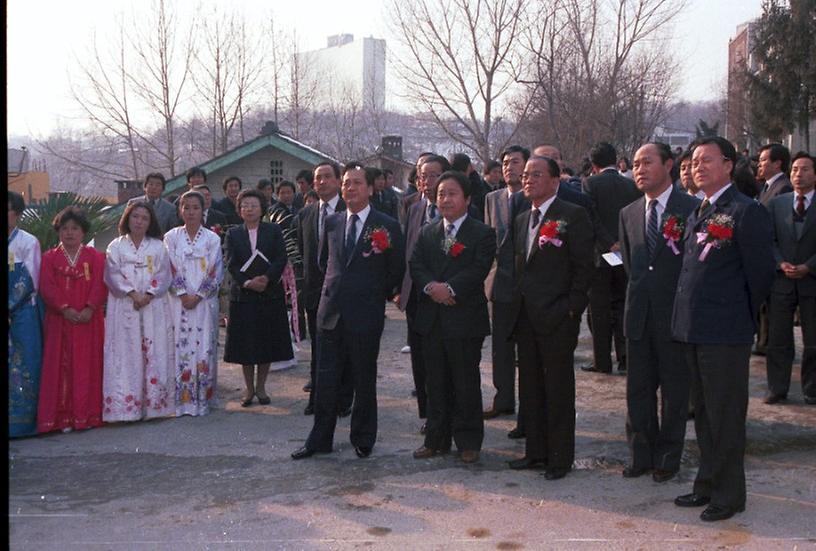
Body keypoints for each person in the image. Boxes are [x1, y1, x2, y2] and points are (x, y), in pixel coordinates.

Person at [671, 136, 775, 521]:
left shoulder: (746, 211)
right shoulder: (701, 209)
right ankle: (707, 483)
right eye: (694, 161)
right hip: (694, 329)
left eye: (707, 160)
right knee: (704, 414)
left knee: (726, 415)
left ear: (728, 165)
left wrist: (736, 316)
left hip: (725, 331)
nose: (698, 167)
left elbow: (760, 274)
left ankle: (730, 495)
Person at [291, 162, 405, 459]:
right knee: (326, 380)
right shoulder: (333, 222)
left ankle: (363, 437)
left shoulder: (387, 225)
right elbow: (322, 262)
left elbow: (395, 270)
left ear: (370, 188)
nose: (350, 188)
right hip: (330, 312)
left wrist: (371, 293)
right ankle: (319, 439)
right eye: (346, 184)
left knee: (363, 378)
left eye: (356, 183)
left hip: (365, 314)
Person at [506, 156, 595, 480]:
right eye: (526, 175)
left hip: (558, 316)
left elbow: (585, 266)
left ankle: (559, 457)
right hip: (526, 316)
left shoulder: (572, 215)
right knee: (530, 387)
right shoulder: (521, 219)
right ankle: (535, 452)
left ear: (556, 181)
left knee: (557, 388)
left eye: (537, 175)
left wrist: (572, 307)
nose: (528, 180)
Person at [619, 143, 699, 482]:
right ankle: (640, 454)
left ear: (669, 165)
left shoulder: (691, 208)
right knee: (638, 390)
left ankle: (667, 456)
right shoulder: (629, 212)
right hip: (639, 315)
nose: (640, 169)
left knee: (674, 391)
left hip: (675, 317)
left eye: (647, 162)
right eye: (635, 164)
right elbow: (631, 265)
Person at [410, 171, 496, 464]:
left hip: (464, 319)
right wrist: (431, 288)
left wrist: (450, 288)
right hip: (432, 319)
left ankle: (469, 441)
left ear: (468, 199)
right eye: (441, 194)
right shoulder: (428, 231)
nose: (445, 199)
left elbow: (478, 269)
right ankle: (436, 439)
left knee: (465, 381)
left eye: (452, 193)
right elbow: (416, 264)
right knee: (435, 383)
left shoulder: (482, 233)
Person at [102, 201, 175, 422]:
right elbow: (112, 275)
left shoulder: (158, 247)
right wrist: (133, 294)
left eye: (144, 218)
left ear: (150, 221)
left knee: (154, 352)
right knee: (125, 354)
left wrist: (149, 295)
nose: (139, 221)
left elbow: (164, 275)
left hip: (153, 306)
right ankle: (124, 409)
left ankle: (154, 406)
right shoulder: (115, 246)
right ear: (127, 218)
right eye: (135, 216)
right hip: (125, 305)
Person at [37, 207, 107, 433]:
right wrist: (64, 308)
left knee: (88, 366)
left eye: (75, 228)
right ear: (59, 231)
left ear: (83, 232)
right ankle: (61, 418)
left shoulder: (96, 257)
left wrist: (90, 308)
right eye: (65, 228)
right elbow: (47, 287)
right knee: (60, 367)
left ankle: (86, 416)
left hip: (89, 321)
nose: (69, 233)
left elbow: (100, 284)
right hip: (60, 321)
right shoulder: (49, 258)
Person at [223, 189, 293, 406]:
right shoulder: (233, 233)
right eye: (244, 205)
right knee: (246, 344)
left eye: (253, 205)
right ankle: (248, 388)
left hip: (268, 292)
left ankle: (261, 388)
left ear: (262, 208)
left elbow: (281, 257)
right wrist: (247, 282)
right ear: (239, 210)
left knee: (265, 342)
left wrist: (266, 278)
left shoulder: (273, 230)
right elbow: (231, 262)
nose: (249, 209)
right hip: (243, 295)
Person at [397, 154, 451, 432]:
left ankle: (446, 415)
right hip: (416, 295)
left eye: (433, 175)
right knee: (420, 358)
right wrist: (399, 289)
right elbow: (406, 251)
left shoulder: (457, 209)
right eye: (422, 175)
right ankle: (429, 415)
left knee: (443, 358)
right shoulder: (414, 207)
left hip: (445, 297)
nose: (426, 181)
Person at [294, 161, 350, 416]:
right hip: (314, 292)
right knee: (319, 348)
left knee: (344, 347)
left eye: (328, 177)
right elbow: (302, 252)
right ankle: (317, 398)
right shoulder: (306, 214)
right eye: (318, 178)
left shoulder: (350, 210)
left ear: (338, 181)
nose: (322, 182)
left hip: (343, 292)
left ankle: (343, 399)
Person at [582, 142, 642, 374]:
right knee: (622, 305)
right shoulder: (631, 185)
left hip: (601, 255)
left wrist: (608, 243)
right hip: (625, 254)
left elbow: (592, 218)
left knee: (599, 309)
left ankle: (602, 361)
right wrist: (620, 243)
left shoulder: (590, 184)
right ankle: (625, 358)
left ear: (594, 164)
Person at [164, 191, 224, 416]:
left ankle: (201, 398)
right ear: (180, 210)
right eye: (186, 207)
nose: (190, 212)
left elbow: (215, 271)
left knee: (204, 346)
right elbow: (168, 266)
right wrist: (182, 293)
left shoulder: (212, 238)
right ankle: (180, 400)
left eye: (195, 208)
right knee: (179, 345)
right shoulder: (171, 237)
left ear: (203, 210)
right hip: (177, 302)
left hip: (203, 302)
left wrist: (198, 295)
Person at [765, 152, 816, 405]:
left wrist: (809, 266)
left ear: (814, 174)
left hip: (811, 281)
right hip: (782, 282)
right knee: (778, 339)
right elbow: (769, 240)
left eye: (805, 169)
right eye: (795, 169)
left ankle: (811, 389)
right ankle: (777, 387)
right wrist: (779, 262)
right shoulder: (778, 204)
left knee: (813, 340)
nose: (799, 174)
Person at [483, 145, 528, 423]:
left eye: (515, 162)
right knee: (500, 347)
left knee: (526, 350)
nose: (509, 167)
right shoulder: (492, 198)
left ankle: (529, 410)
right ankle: (503, 400)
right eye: (505, 162)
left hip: (526, 285)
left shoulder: (533, 197)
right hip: (498, 284)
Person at [8, 191, 43, 437]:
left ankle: (21, 424)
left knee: (25, 364)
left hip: (22, 314)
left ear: (18, 214)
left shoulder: (27, 242)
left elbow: (30, 278)